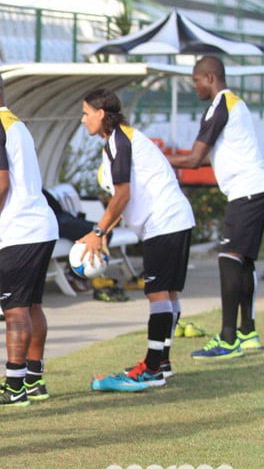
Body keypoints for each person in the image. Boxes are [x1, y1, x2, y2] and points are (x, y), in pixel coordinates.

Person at [79, 89, 195, 391]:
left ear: (101, 114)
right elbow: (123, 200)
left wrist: (98, 232)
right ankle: (161, 363)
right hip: (174, 219)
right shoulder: (122, 138)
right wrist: (105, 231)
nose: (83, 120)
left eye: (86, 113)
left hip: (165, 222)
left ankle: (153, 368)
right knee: (167, 293)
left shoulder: (119, 140)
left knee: (157, 293)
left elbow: (123, 194)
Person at [0, 67, 59, 405]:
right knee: (32, 306)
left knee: (16, 310)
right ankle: (34, 380)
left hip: (23, 228)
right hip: (41, 225)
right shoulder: (15, 122)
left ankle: (15, 386)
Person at [169, 56, 264, 359]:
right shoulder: (235, 103)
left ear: (210, 78)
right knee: (243, 261)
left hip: (246, 192)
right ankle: (247, 333)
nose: (194, 86)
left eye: (196, 80)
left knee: (228, 258)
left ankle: (228, 338)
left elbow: (195, 159)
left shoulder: (220, 105)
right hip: (253, 190)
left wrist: (156, 159)